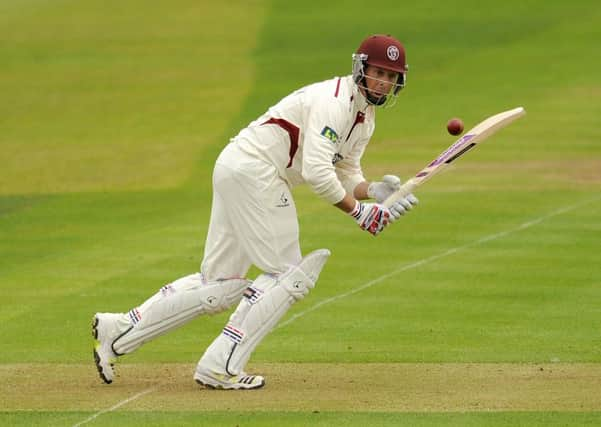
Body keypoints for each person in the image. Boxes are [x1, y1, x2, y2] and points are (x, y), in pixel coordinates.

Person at [92, 34, 418, 390]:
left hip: (238, 167)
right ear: (361, 69)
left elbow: (345, 169)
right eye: (378, 72)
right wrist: (359, 213)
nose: (384, 82)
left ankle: (119, 329)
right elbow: (316, 172)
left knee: (221, 283)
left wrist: (372, 191)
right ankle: (220, 365)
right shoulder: (334, 102)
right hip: (257, 171)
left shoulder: (365, 118)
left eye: (391, 76)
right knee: (288, 274)